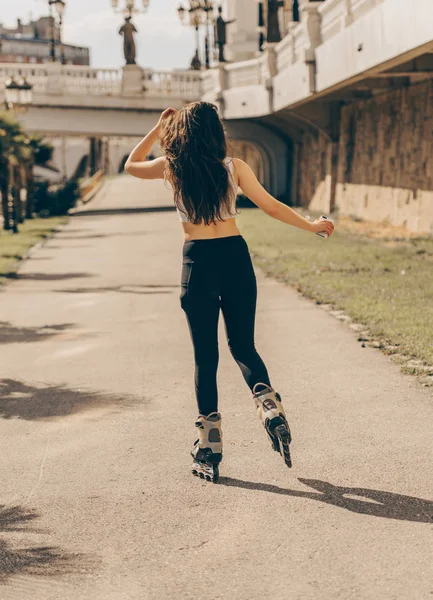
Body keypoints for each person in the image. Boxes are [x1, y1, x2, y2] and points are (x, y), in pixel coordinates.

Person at [124, 102, 335, 483]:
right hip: (236, 258)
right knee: (244, 347)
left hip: (198, 263)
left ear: (181, 134)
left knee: (206, 358)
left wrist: (157, 129)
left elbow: (130, 165)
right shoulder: (234, 168)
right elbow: (270, 206)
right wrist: (311, 225)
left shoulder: (171, 167)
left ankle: (209, 446)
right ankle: (269, 406)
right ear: (215, 133)